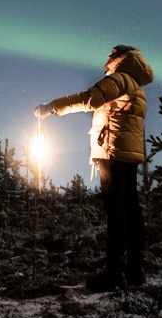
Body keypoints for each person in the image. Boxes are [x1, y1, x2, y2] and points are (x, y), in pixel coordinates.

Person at [35, 44, 154, 292]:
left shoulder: (119, 78)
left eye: (111, 54)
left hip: (113, 153)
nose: (107, 58)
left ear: (119, 58)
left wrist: (52, 107)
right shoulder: (135, 84)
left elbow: (89, 99)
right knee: (130, 210)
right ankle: (134, 270)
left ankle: (114, 274)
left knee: (117, 213)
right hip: (128, 153)